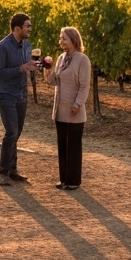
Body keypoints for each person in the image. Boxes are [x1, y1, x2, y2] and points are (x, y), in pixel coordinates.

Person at [0, 13, 38, 186]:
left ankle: (12, 170)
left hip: (21, 94)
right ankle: (3, 171)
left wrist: (38, 65)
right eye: (27, 26)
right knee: (11, 131)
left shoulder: (27, 46)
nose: (30, 29)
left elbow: (28, 66)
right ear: (17, 28)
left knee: (16, 132)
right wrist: (21, 68)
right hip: (6, 94)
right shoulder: (2, 47)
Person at [44, 26, 92, 190]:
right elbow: (53, 82)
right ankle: (63, 179)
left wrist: (77, 104)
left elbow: (84, 86)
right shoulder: (61, 58)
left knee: (73, 146)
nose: (61, 41)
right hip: (60, 109)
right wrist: (48, 69)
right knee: (62, 145)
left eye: (64, 38)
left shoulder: (82, 60)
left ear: (74, 39)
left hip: (74, 109)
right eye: (60, 38)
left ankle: (73, 181)